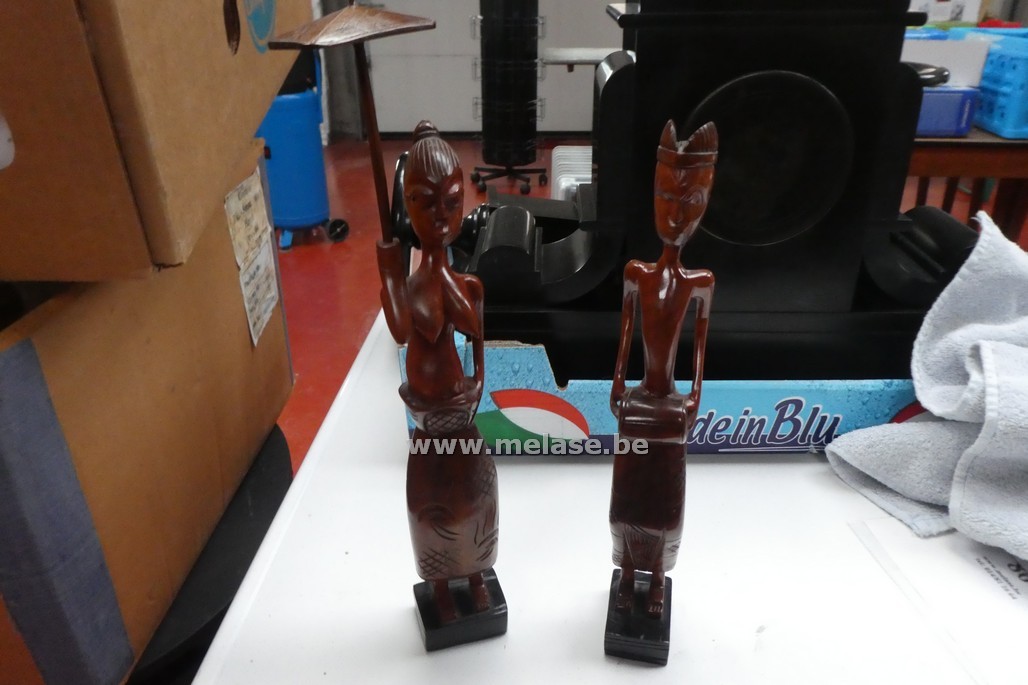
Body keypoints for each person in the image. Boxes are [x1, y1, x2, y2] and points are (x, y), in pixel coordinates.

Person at [377, 121, 497, 622]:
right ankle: (442, 586)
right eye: (425, 204)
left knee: (474, 502)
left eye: (451, 202)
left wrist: (476, 385)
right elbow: (402, 330)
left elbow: (474, 334)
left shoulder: (466, 286)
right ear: (407, 206)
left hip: (460, 413)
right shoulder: (411, 286)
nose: (441, 216)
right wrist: (388, 274)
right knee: (429, 507)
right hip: (426, 419)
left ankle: (476, 575)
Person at [608, 120, 717, 618]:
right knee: (626, 501)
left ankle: (655, 578)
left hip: (671, 407)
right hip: (637, 404)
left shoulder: (700, 282)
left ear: (705, 205)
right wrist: (617, 386)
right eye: (666, 198)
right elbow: (624, 337)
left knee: (665, 508)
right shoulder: (636, 274)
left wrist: (693, 399)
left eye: (690, 202)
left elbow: (699, 353)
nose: (675, 215)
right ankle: (629, 570)